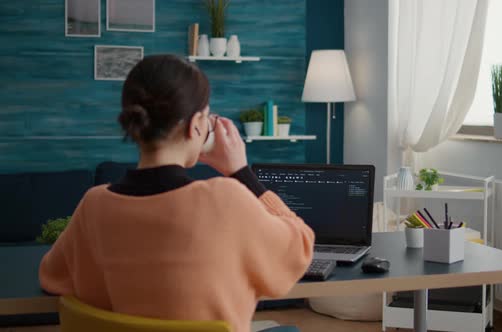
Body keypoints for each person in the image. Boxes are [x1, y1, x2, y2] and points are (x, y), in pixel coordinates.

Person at [39, 54, 314, 332]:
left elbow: (52, 276)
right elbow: (299, 252)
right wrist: (241, 172)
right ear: (196, 125)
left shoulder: (94, 205)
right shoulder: (226, 199)